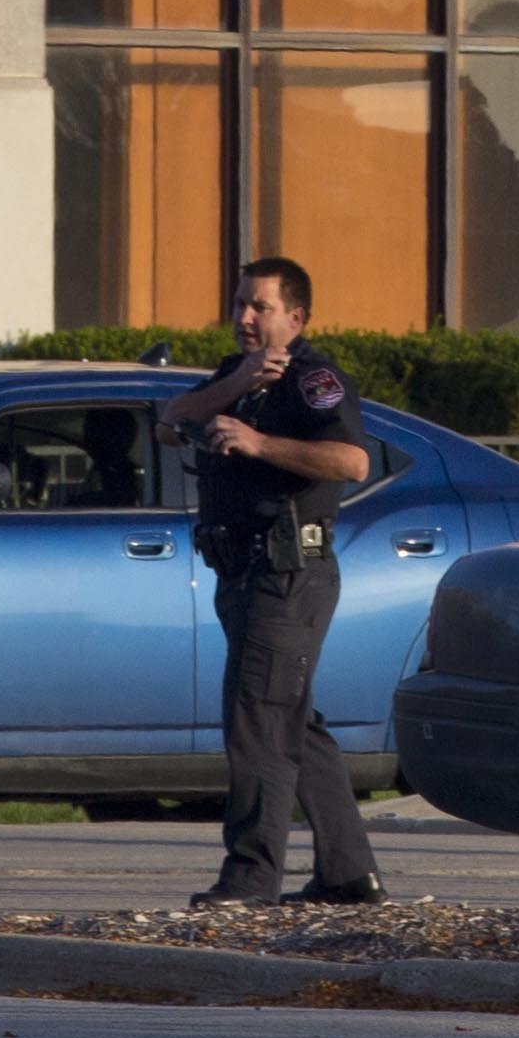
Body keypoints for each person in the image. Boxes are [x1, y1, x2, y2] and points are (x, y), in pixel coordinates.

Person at [161, 254, 382, 905]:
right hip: (242, 571)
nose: (244, 317)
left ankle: (251, 879)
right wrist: (238, 385)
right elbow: (171, 421)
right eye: (238, 304)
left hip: (289, 571)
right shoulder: (238, 376)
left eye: (259, 307)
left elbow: (352, 460)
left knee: (257, 717)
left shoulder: (313, 381)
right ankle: (349, 875)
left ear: (297, 317)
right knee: (291, 721)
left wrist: (258, 443)